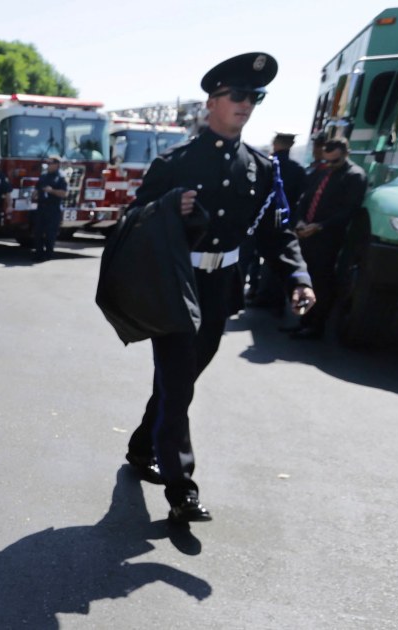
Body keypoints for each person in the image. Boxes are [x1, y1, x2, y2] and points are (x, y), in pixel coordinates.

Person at [122, 52, 316, 523]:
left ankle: (142, 445)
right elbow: (131, 223)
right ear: (211, 102)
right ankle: (181, 488)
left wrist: (298, 277)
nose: (247, 104)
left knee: (179, 381)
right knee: (179, 386)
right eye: (238, 95)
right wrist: (170, 205)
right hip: (177, 287)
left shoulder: (262, 168)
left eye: (256, 97)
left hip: (221, 290)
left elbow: (277, 232)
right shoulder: (174, 163)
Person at [288, 137, 366, 339]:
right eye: (327, 160)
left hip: (329, 238)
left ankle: (316, 326)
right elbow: (304, 199)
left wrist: (320, 226)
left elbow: (348, 210)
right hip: (306, 234)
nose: (330, 165)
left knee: (322, 283)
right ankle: (303, 321)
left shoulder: (354, 176)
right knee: (306, 280)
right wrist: (300, 222)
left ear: (346, 154)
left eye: (335, 161)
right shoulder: (321, 171)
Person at [245, 132, 307, 308]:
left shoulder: (266, 165)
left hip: (260, 219)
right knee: (277, 260)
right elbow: (302, 198)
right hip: (284, 221)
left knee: (253, 257)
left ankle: (254, 291)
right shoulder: (298, 169)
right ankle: (275, 299)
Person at [32, 156, 67, 261]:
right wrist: (34, 195)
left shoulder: (61, 178)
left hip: (53, 209)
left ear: (57, 165)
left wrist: (51, 191)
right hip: (41, 207)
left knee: (50, 233)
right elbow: (37, 189)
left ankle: (48, 254)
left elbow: (64, 193)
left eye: (51, 163)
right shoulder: (43, 176)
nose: (48, 165)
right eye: (48, 163)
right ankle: (38, 254)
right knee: (38, 232)